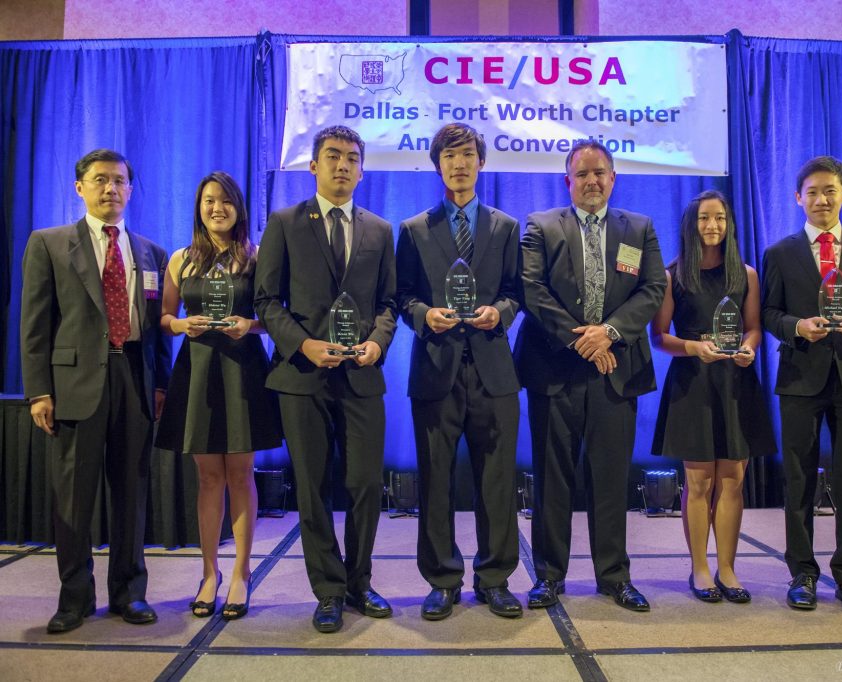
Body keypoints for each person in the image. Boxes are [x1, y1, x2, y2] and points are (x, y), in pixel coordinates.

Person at [20, 149, 172, 633]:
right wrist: (38, 391)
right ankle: (74, 599)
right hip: (74, 385)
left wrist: (161, 384)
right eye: (101, 180)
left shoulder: (150, 253)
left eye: (120, 181)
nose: (111, 189)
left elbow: (156, 328)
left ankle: (130, 593)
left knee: (132, 492)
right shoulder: (49, 244)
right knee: (73, 498)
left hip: (134, 378)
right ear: (79, 187)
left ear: (131, 189)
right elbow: (34, 325)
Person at [254, 125, 397, 633]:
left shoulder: (380, 229)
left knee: (365, 484)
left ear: (362, 170)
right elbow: (266, 300)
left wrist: (378, 342)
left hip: (361, 376)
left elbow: (389, 303)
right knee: (313, 489)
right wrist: (303, 344)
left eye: (352, 158)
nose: (342, 165)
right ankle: (329, 591)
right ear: (313, 165)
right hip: (303, 377)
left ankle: (360, 581)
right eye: (332, 156)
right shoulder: (285, 223)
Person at [516, 140, 666, 612]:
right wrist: (582, 339)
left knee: (611, 477)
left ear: (613, 178)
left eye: (600, 172)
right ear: (568, 181)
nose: (592, 181)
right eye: (582, 174)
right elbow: (532, 289)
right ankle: (548, 576)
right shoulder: (541, 225)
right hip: (553, 368)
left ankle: (614, 576)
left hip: (615, 370)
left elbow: (653, 287)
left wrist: (610, 333)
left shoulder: (639, 228)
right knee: (552, 477)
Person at [396, 123, 522, 620]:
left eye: (467, 154)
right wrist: (423, 315)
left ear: (481, 162)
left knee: (497, 480)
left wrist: (500, 312)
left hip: (494, 372)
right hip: (435, 369)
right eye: (449, 156)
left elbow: (516, 292)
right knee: (435, 480)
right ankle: (442, 579)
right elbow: (402, 296)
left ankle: (495, 578)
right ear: (437, 166)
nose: (459, 164)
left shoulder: (506, 227)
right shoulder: (413, 229)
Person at [761, 155, 842, 616]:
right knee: (798, 480)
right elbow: (769, 314)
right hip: (801, 377)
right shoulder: (780, 253)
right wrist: (797, 327)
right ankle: (802, 573)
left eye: (830, 191)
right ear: (797, 198)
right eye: (812, 192)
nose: (821, 199)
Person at [155, 171, 282, 620]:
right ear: (199, 207)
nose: (217, 208)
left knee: (240, 474)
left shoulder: (256, 256)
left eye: (226, 201)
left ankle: (241, 575)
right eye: (209, 200)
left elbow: (274, 317)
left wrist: (251, 325)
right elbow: (164, 316)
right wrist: (179, 325)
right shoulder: (181, 259)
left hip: (242, 370)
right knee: (208, 477)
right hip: (197, 371)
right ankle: (209, 573)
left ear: (238, 208)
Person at [650, 190, 774, 604]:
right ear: (691, 224)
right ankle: (700, 568)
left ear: (729, 224)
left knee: (733, 479)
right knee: (699, 481)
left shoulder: (746, 274)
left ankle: (728, 568)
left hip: (736, 383)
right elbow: (659, 337)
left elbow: (754, 328)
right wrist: (692, 347)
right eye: (704, 218)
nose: (712, 225)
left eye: (720, 218)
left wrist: (749, 348)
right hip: (693, 383)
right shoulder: (673, 275)